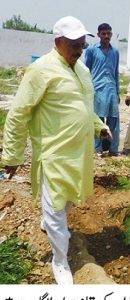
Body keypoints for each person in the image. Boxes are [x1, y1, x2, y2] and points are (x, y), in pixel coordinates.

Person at [1, 16, 110, 285]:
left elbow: (84, 105)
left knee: (68, 197)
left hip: (80, 153)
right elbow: (18, 114)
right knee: (56, 205)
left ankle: (50, 223)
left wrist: (98, 126)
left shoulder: (82, 69)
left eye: (82, 44)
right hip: (54, 153)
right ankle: (60, 261)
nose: (79, 49)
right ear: (58, 41)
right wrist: (12, 155)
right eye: (74, 44)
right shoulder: (40, 70)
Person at [84, 23, 120, 157]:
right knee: (98, 119)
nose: (106, 36)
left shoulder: (115, 52)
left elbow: (116, 72)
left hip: (111, 89)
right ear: (98, 34)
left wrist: (117, 92)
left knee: (114, 119)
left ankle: (113, 148)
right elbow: (86, 71)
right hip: (97, 89)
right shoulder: (92, 50)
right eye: (103, 34)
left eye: (108, 33)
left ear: (111, 34)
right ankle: (97, 148)